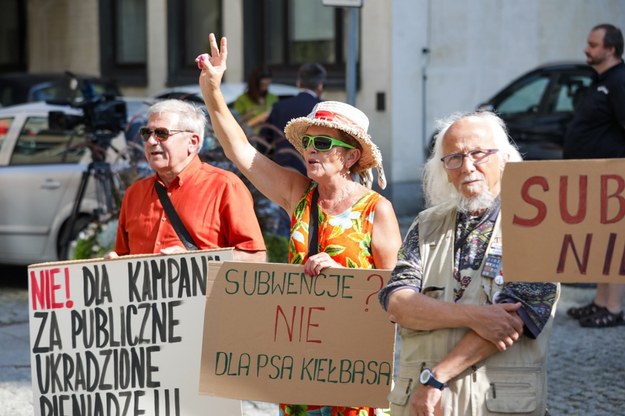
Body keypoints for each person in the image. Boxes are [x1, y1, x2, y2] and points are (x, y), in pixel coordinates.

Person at [196, 33, 402, 416]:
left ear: (350, 156)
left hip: (353, 366)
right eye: (308, 142)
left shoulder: (378, 209)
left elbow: (397, 295)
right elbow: (240, 151)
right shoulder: (297, 192)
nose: (310, 150)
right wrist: (212, 90)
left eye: (322, 144)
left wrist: (343, 276)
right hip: (303, 366)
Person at [378, 111, 559, 416]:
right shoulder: (425, 225)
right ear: (445, 169)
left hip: (498, 404)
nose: (467, 167)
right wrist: (476, 316)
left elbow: (514, 320)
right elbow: (398, 303)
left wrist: (435, 379)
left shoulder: (537, 223)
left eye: (478, 153)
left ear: (503, 158)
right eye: (454, 158)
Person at [108, 98, 266, 261]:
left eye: (161, 133)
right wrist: (113, 264)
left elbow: (255, 257)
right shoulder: (134, 193)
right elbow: (123, 256)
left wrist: (193, 261)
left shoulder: (224, 185)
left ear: (192, 142)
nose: (151, 141)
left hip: (203, 288)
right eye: (146, 133)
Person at [563, 23, 625, 328]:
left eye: (593, 44)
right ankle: (601, 301)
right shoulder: (599, 79)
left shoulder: (620, 81)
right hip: (593, 177)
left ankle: (614, 308)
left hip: (613, 178)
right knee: (602, 241)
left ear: (610, 49)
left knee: (615, 242)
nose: (587, 49)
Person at [262, 61, 327, 175]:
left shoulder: (280, 106)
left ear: (298, 83)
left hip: (282, 169)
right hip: (313, 172)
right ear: (320, 85)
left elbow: (263, 141)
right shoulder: (323, 109)